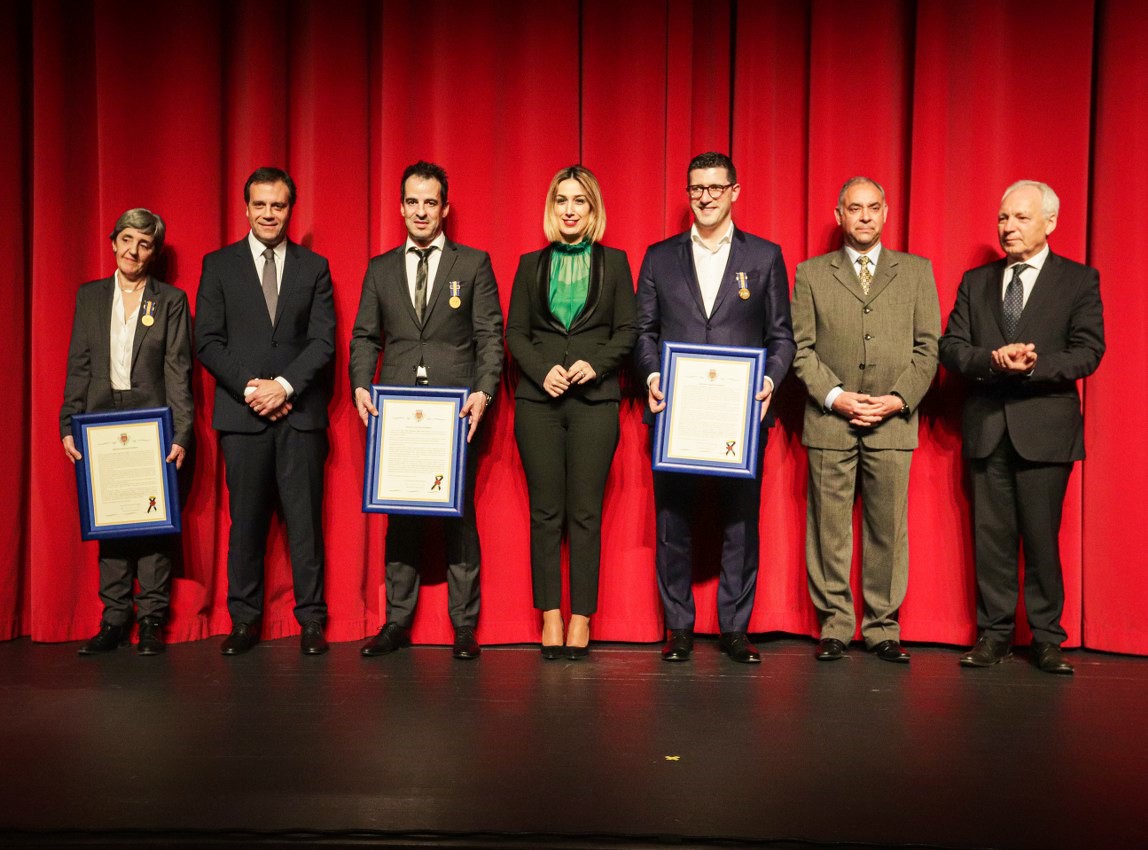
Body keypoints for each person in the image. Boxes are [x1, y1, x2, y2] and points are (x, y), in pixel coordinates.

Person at [635, 151, 795, 664]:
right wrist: (653, 376)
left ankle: (734, 630)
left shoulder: (765, 257)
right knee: (672, 524)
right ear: (688, 194)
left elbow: (782, 337)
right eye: (696, 189)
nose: (705, 197)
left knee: (740, 525)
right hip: (675, 415)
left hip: (741, 416)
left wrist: (769, 380)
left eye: (715, 188)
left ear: (734, 192)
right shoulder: (659, 257)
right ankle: (679, 628)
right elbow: (644, 333)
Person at [939, 180, 1104, 675]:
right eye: (1003, 218)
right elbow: (951, 347)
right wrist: (992, 360)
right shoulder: (976, 281)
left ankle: (1048, 639)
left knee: (1041, 539)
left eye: (1020, 218)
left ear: (1050, 222)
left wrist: (1034, 366)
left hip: (1046, 432)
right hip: (988, 427)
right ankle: (995, 636)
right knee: (991, 540)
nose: (1008, 227)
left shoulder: (1078, 280)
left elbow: (1089, 351)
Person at [349, 161, 503, 661]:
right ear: (401, 207)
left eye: (430, 202)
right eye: (412, 202)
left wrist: (483, 393)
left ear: (444, 208)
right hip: (395, 412)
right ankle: (396, 622)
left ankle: (464, 626)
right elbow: (365, 337)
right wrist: (360, 385)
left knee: (459, 515)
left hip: (455, 412)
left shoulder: (472, 264)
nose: (421, 211)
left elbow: (490, 337)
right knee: (401, 518)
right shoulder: (380, 268)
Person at [790, 177, 940, 664]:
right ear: (839, 216)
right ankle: (835, 625)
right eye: (855, 209)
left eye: (873, 207)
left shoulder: (916, 271)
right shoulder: (811, 274)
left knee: (887, 530)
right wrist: (835, 397)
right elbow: (801, 349)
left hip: (893, 422)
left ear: (886, 212)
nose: (865, 217)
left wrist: (897, 400)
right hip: (830, 421)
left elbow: (928, 349)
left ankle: (882, 628)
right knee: (828, 529)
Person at [196, 167, 336, 656]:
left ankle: (312, 620)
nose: (269, 214)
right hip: (243, 417)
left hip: (300, 416)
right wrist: (253, 389)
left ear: (290, 209)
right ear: (246, 208)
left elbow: (323, 341)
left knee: (306, 525)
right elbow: (207, 341)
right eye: (260, 205)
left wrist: (284, 386)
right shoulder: (219, 265)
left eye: (278, 205)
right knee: (246, 524)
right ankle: (244, 620)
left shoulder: (314, 267)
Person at [505, 166, 637, 660]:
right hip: (538, 404)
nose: (569, 209)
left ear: (593, 208)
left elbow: (627, 331)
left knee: (585, 513)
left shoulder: (615, 263)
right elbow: (515, 332)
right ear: (551, 207)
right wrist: (543, 372)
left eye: (579, 200)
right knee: (545, 514)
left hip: (594, 403)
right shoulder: (530, 265)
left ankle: (581, 616)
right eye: (561, 200)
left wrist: (594, 365)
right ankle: (550, 615)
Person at [61, 208, 193, 656]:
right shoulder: (90, 297)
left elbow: (178, 371)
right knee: (112, 520)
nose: (133, 251)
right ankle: (115, 619)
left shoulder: (170, 300)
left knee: (154, 521)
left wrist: (181, 432)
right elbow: (79, 364)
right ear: (113, 242)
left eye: (144, 244)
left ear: (154, 252)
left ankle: (152, 619)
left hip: (153, 423)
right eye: (127, 240)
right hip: (99, 422)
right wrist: (68, 422)